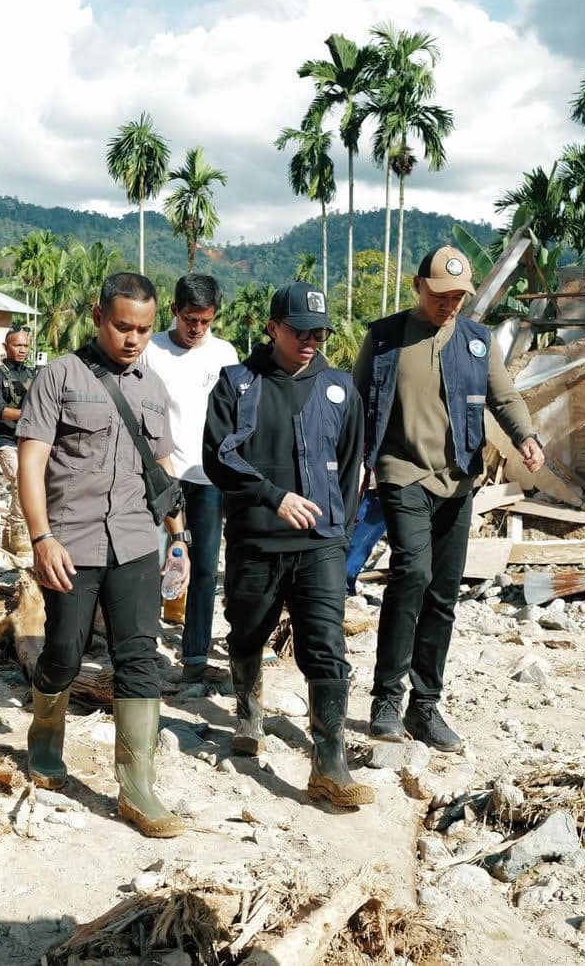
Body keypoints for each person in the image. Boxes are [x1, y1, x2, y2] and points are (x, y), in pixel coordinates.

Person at [17, 272, 190, 839]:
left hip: (138, 542)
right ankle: (44, 738)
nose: (133, 338)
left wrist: (179, 538)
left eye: (143, 328)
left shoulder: (153, 388)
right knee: (64, 651)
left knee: (140, 657)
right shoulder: (58, 377)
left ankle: (137, 787)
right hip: (72, 542)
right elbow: (32, 463)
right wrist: (41, 539)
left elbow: (161, 468)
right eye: (122, 326)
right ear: (98, 316)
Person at [354, 245, 545, 751]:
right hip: (401, 471)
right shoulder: (385, 336)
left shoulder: (477, 343)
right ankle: (385, 698)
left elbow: (504, 397)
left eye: (459, 296)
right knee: (411, 573)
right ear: (420, 286)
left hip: (458, 479)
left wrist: (525, 436)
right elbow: (355, 402)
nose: (450, 305)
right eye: (441, 296)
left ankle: (425, 705)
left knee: (442, 593)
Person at [203, 281, 374, 809]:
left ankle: (329, 763)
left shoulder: (341, 389)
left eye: (319, 333)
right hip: (256, 538)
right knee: (247, 630)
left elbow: (351, 469)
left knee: (326, 648)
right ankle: (249, 710)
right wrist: (272, 497)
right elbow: (217, 458)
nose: (310, 341)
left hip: (319, 543)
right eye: (299, 330)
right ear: (272, 327)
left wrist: (340, 538)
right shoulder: (237, 384)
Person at [140, 274, 238, 681]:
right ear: (174, 311)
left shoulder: (224, 353)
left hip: (209, 477)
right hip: (160, 473)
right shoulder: (152, 351)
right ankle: (140, 646)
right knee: (149, 560)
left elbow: (236, 413)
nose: (196, 329)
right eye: (189, 320)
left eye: (205, 321)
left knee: (202, 566)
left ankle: (195, 655)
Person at [0, 325, 37, 555]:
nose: (22, 349)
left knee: (32, 484)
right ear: (5, 346)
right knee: (19, 481)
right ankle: (18, 532)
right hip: (5, 440)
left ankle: (8, 536)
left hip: (30, 439)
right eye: (17, 345)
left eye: (25, 345)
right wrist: (29, 413)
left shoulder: (33, 374)